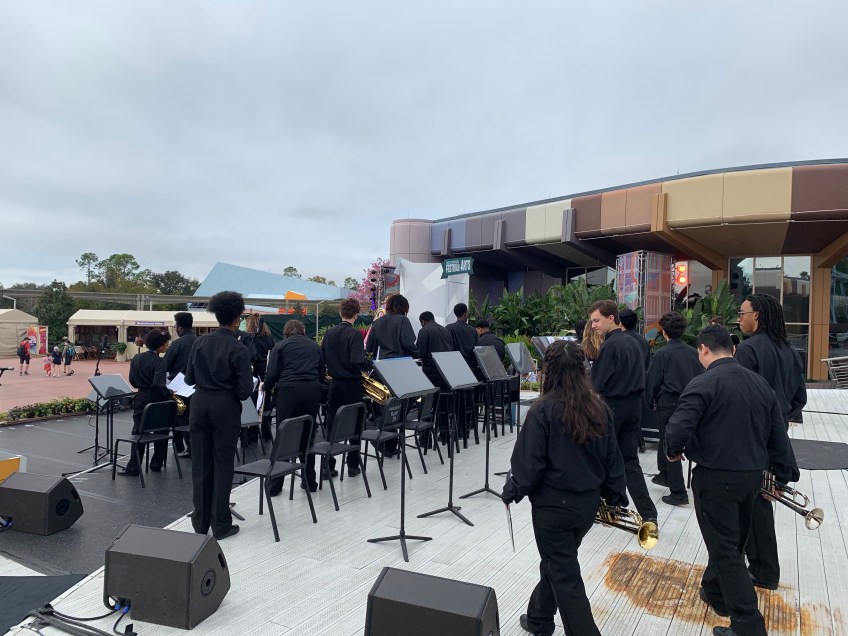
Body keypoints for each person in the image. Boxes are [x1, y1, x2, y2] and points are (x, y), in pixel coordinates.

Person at [665, 326, 796, 636]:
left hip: (715, 478)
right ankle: (716, 592)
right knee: (731, 543)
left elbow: (678, 426)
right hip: (751, 478)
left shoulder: (703, 382)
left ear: (703, 350)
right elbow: (778, 434)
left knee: (725, 550)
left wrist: (673, 450)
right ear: (734, 350)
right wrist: (783, 475)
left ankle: (748, 625)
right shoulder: (760, 384)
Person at [502, 340, 628, 636]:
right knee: (559, 562)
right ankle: (539, 618)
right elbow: (613, 458)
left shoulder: (542, 410)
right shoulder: (599, 408)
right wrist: (616, 495)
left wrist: (513, 489)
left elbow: (529, 464)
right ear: (582, 369)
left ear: (550, 370)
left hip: (552, 509)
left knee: (565, 574)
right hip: (586, 507)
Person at [735, 293, 807, 590]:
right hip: (777, 433)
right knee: (762, 500)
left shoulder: (748, 350)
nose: (739, 318)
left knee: (752, 505)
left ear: (757, 315)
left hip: (751, 436)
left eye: (742, 313)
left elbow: (740, 398)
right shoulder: (789, 350)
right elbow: (800, 397)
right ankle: (762, 567)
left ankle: (763, 570)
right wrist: (781, 416)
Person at [185, 291, 254, 540]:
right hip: (225, 406)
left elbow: (189, 378)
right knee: (223, 464)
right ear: (237, 318)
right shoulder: (239, 348)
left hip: (199, 403)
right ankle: (221, 523)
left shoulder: (200, 342)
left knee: (200, 463)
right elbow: (245, 391)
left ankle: (200, 521)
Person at [589, 300, 657, 524]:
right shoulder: (634, 342)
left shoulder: (610, 346)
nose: (593, 326)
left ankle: (606, 507)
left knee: (602, 458)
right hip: (633, 406)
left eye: (597, 320)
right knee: (629, 460)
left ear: (611, 318)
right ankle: (649, 514)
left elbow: (597, 383)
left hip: (613, 407)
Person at [644, 311, 703, 506]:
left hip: (669, 402)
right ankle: (665, 475)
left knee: (670, 442)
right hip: (691, 401)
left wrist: (649, 401)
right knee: (671, 440)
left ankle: (678, 491)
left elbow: (653, 381)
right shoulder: (693, 353)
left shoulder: (662, 354)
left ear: (664, 331)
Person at [265, 319, 325, 494]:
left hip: (288, 392)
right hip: (312, 391)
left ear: (286, 332)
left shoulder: (280, 346)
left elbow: (272, 373)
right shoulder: (314, 346)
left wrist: (266, 388)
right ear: (303, 331)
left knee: (284, 435)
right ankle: (309, 481)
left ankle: (275, 485)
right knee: (308, 434)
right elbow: (321, 373)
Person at [321, 299, 368, 480]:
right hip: (351, 385)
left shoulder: (329, 333)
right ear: (356, 315)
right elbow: (357, 360)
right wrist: (367, 363)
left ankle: (328, 466)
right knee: (355, 424)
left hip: (334, 385)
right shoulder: (355, 334)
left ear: (341, 313)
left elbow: (322, 358)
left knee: (332, 425)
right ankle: (353, 465)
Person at [122, 329, 172, 476]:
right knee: (161, 430)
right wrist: (169, 392)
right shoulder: (160, 362)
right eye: (166, 344)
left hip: (141, 398)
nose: (167, 346)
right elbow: (159, 385)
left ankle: (134, 466)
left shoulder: (137, 358)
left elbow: (132, 381)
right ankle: (157, 463)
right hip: (157, 400)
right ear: (160, 346)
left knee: (139, 431)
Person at [165, 312, 198, 458]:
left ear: (179, 327)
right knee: (194, 418)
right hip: (197, 386)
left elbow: (166, 364)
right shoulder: (200, 341)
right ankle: (194, 447)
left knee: (179, 418)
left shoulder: (177, 344)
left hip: (178, 387)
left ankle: (181, 447)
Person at [619, 308, 650, 453]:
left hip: (624, 385)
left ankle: (637, 444)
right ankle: (640, 443)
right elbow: (648, 363)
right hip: (640, 382)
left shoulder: (619, 341)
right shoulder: (643, 341)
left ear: (620, 322)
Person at [242, 313, 275, 441]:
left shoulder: (248, 339)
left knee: (251, 403)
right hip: (265, 372)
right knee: (265, 402)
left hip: (252, 373)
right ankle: (266, 433)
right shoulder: (269, 339)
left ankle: (251, 434)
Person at [365, 293, 418, 360]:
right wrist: (418, 354)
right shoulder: (403, 320)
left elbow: (369, 347)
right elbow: (408, 344)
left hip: (380, 362)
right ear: (404, 307)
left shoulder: (377, 322)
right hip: (399, 361)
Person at [417, 311, 454, 390]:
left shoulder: (424, 330)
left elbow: (420, 352)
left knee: (432, 393)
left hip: (431, 370)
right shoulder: (445, 330)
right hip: (445, 370)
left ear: (423, 321)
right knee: (443, 393)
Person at [446, 302, 479, 373]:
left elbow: (447, 347)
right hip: (470, 367)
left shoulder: (449, 328)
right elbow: (476, 349)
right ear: (465, 314)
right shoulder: (473, 330)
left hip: (454, 365)